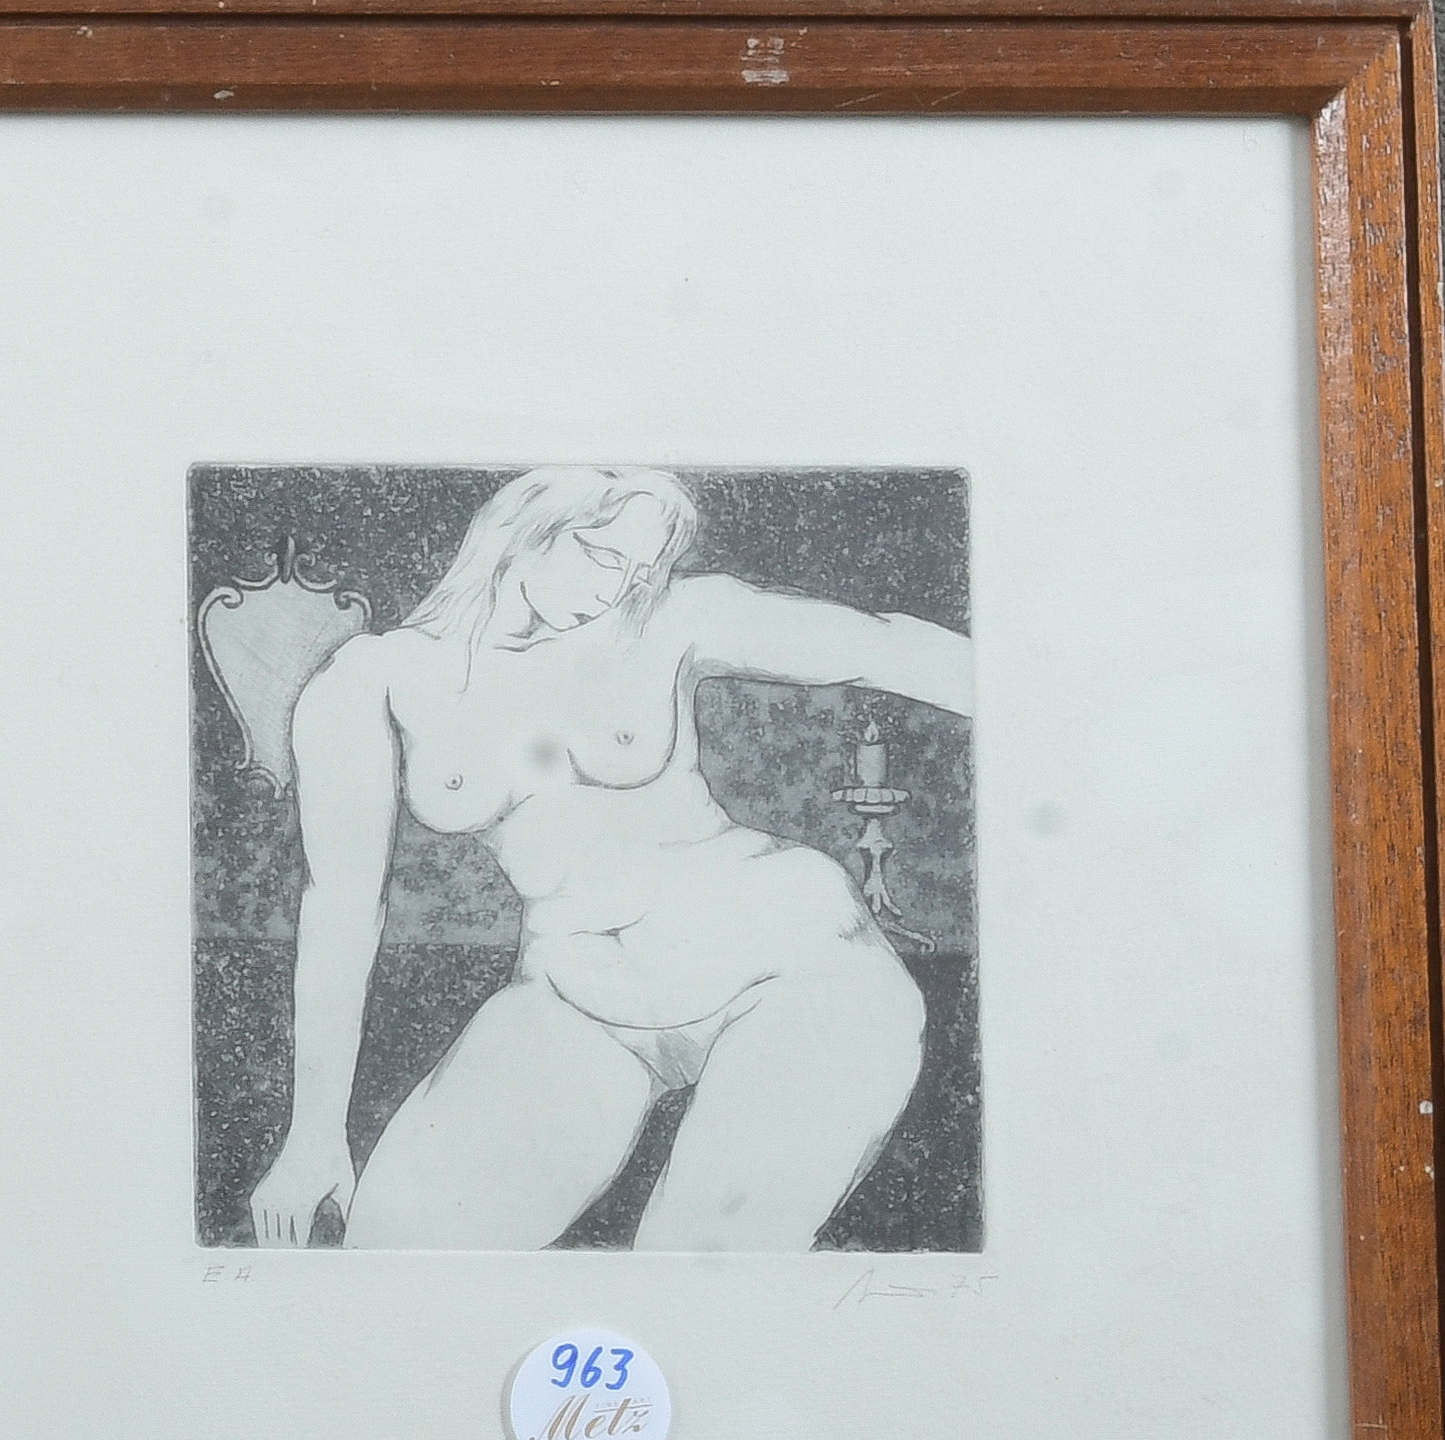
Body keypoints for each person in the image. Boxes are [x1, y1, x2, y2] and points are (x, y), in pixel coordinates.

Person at [247, 467, 974, 1251]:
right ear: (525, 529)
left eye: (639, 569)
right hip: (576, 995)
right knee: (395, 1249)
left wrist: (1049, 702)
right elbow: (342, 905)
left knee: (698, 1269)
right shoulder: (370, 681)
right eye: (601, 555)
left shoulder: (672, 617)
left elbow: (882, 648)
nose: (617, 588)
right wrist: (311, 1135)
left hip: (794, 969)